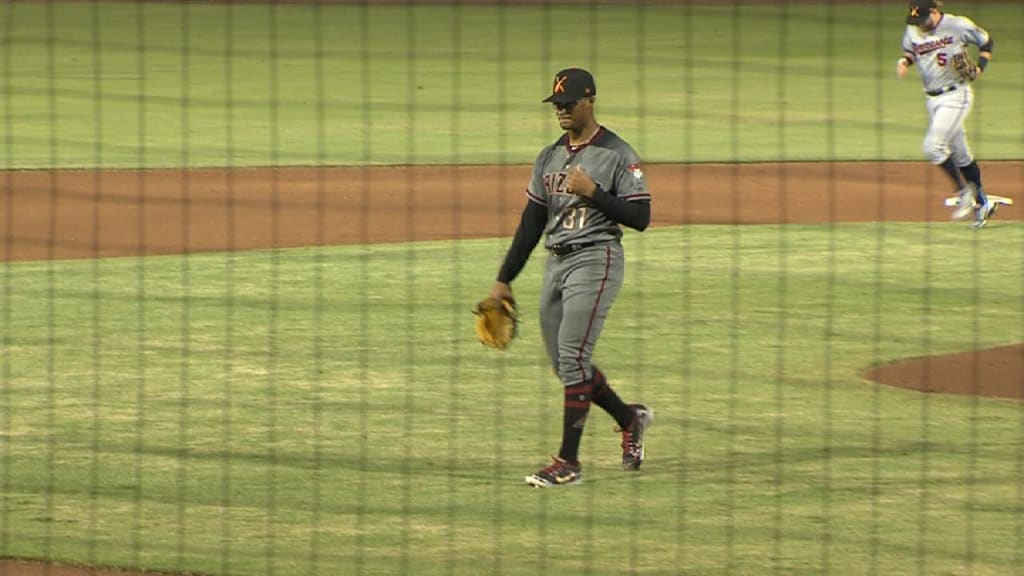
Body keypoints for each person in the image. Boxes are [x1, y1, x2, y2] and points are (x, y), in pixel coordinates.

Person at [484, 67, 654, 487]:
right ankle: (630, 419)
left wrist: (595, 193)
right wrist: (504, 279)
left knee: (573, 358)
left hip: (596, 260)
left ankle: (568, 463)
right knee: (567, 366)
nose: (561, 110)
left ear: (589, 101)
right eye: (557, 104)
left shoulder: (617, 154)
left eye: (569, 103)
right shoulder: (548, 157)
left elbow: (641, 217)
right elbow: (530, 223)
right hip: (555, 263)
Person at [897, 0, 996, 228]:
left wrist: (980, 68)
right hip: (931, 100)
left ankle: (963, 193)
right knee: (961, 154)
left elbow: (986, 41)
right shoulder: (913, 28)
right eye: (916, 20)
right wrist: (905, 61)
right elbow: (911, 51)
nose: (920, 25)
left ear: (934, 11)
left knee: (933, 147)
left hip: (956, 95)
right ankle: (983, 204)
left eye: (923, 19)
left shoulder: (957, 25)